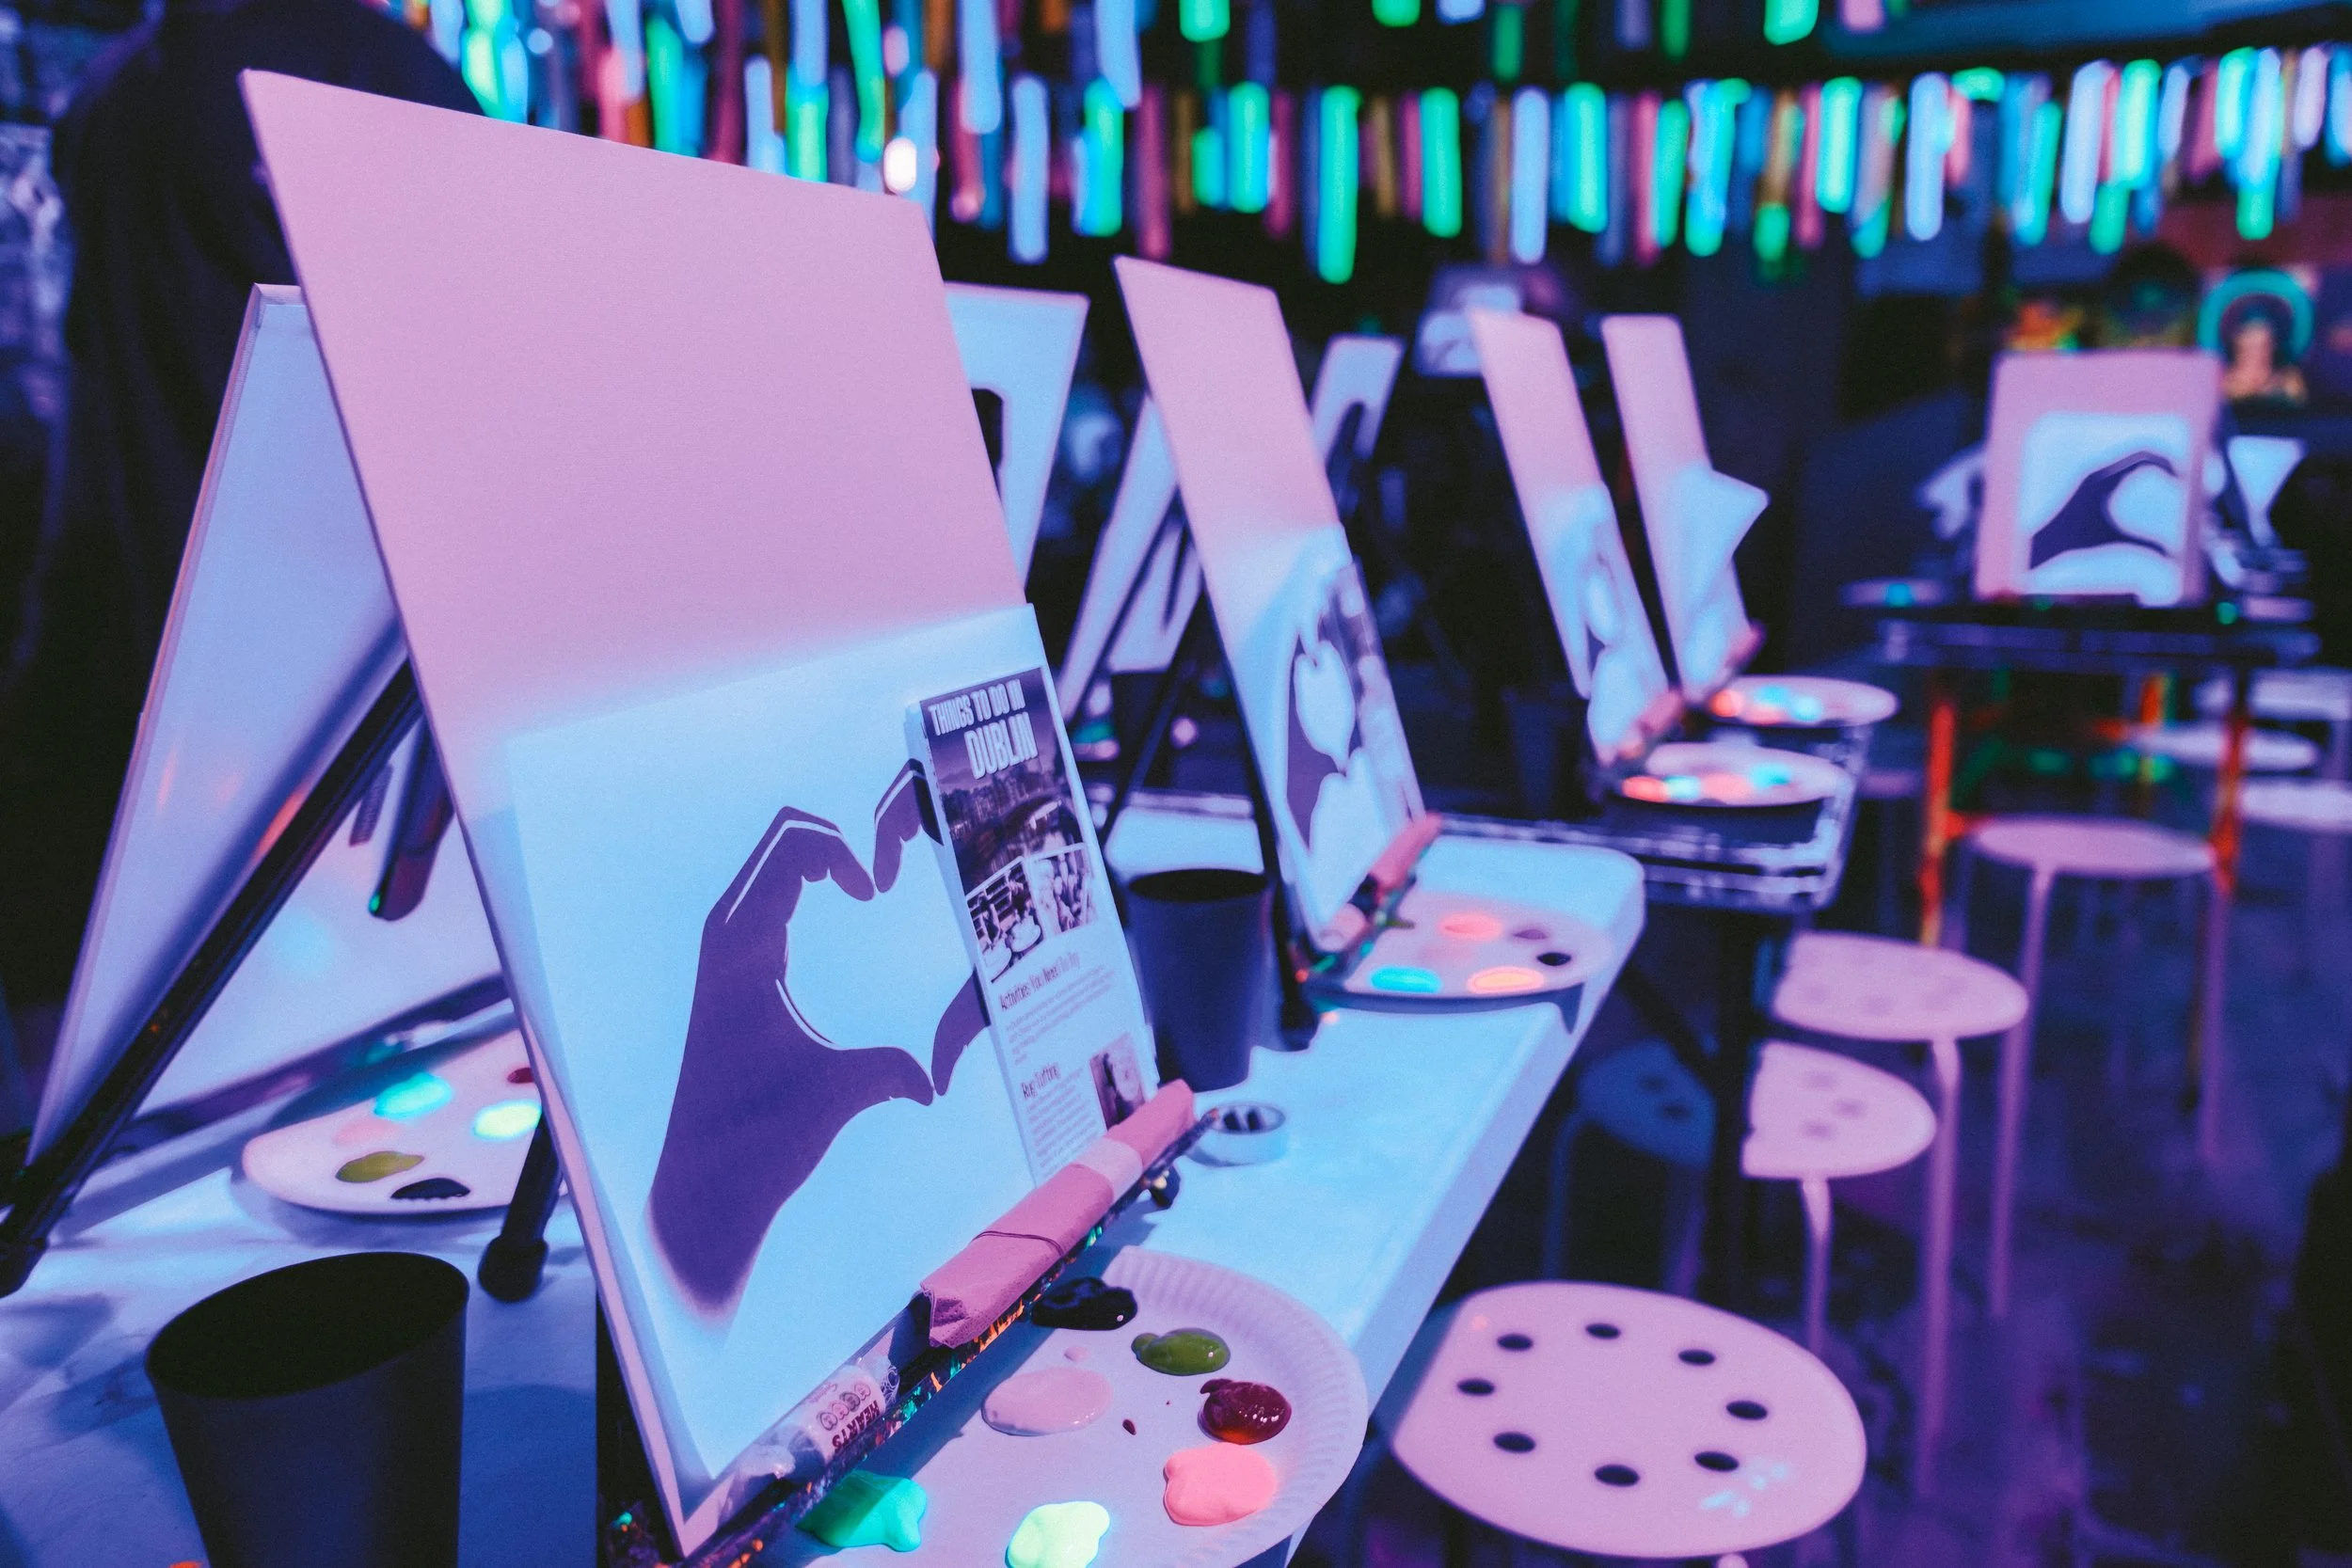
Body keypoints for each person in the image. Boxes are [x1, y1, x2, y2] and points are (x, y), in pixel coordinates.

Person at [0, 0, 476, 1018]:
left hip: (144, 628)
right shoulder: (371, 70)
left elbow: (88, 373)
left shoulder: (108, 95)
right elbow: (466, 380)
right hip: (324, 654)